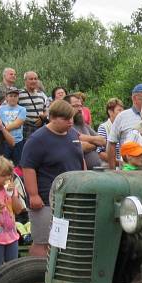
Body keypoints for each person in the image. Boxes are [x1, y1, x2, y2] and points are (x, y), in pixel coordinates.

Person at [20, 99, 84, 257]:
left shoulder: (73, 134)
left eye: (71, 118)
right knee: (43, 242)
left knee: (65, 241)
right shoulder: (37, 140)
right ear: (53, 118)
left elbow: (79, 157)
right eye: (66, 119)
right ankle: (36, 278)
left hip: (71, 198)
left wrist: (85, 178)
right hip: (46, 200)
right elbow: (28, 168)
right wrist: (33, 195)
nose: (70, 122)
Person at [106, 83, 142, 169]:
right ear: (134, 98)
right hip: (128, 172)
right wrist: (112, 171)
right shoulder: (122, 116)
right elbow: (111, 143)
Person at [66, 94, 104, 169]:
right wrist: (95, 143)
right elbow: (81, 147)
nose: (80, 109)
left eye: (81, 106)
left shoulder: (83, 125)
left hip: (95, 172)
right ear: (66, 107)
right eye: (76, 106)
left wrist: (84, 138)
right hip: (79, 174)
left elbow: (103, 141)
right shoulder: (66, 126)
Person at [17, 71, 50, 140]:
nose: (34, 81)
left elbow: (46, 109)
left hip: (40, 128)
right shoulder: (18, 94)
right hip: (25, 130)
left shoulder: (41, 94)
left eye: (35, 79)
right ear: (25, 81)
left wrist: (43, 117)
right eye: (31, 79)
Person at [0, 88, 27, 162]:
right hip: (4, 142)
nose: (13, 98)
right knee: (4, 165)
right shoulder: (0, 109)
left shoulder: (22, 109)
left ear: (18, 98)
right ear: (6, 97)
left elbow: (17, 124)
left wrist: (2, 128)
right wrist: (2, 127)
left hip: (18, 142)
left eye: (15, 96)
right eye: (11, 96)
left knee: (18, 165)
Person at [96, 98, 124, 163]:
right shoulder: (103, 127)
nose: (122, 113)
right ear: (110, 112)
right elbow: (100, 152)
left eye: (123, 110)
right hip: (109, 169)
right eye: (119, 110)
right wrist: (118, 163)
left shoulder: (123, 127)